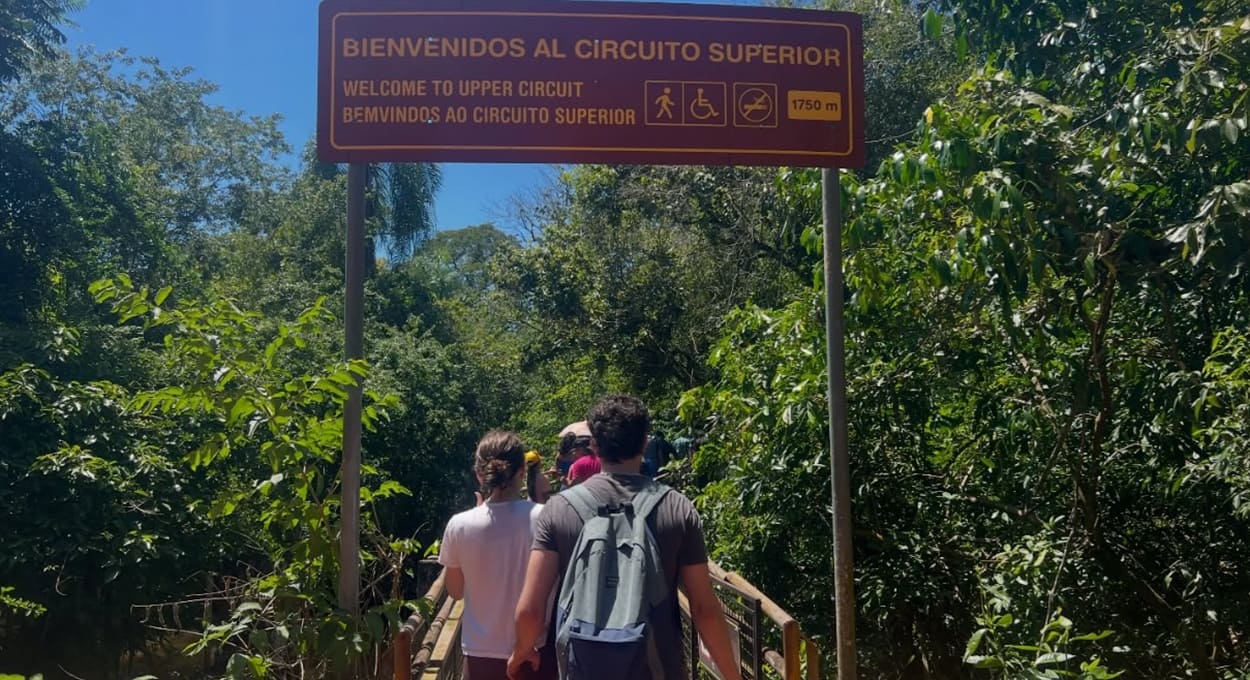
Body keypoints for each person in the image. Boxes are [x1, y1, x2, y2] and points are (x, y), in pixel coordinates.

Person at [508, 395, 741, 680]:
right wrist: (732, 674)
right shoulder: (677, 508)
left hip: (583, 667)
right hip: (658, 669)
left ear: (593, 445)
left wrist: (521, 651)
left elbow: (531, 609)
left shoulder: (559, 509)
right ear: (645, 442)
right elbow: (704, 608)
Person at [438, 431, 554, 680]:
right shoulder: (547, 518)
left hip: (480, 656)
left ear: (480, 474)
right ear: (523, 470)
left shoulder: (459, 525)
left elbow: (456, 591)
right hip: (536, 653)